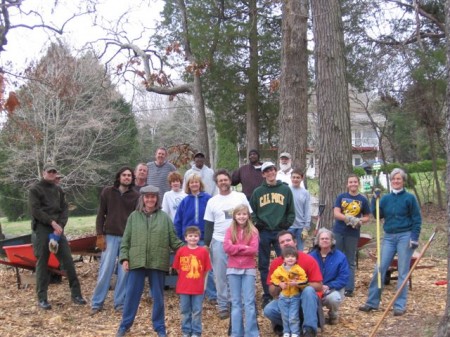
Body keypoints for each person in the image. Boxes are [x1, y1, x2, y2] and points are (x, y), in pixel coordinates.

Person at [116, 185, 184, 337]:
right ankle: (124, 325)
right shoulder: (134, 216)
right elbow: (126, 240)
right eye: (147, 197)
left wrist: (189, 250)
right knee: (132, 295)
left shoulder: (164, 217)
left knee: (158, 297)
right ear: (143, 198)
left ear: (157, 199)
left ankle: (159, 327)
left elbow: (174, 240)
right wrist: (125, 258)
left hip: (157, 261)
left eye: (153, 197)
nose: (150, 199)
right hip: (137, 261)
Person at [359, 168, 422, 317]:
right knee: (379, 268)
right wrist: (375, 199)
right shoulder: (386, 198)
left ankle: (399, 306)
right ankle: (372, 302)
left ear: (403, 181)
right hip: (389, 236)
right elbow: (377, 214)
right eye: (393, 179)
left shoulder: (409, 198)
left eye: (398, 179)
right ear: (391, 181)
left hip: (405, 236)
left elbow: (417, 219)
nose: (396, 181)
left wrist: (414, 237)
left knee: (403, 271)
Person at [29, 163, 86, 310]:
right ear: (44, 173)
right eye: (49, 172)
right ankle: (42, 298)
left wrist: (59, 225)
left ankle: (76, 294)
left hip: (58, 229)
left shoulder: (59, 190)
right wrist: (51, 222)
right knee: (43, 262)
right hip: (42, 227)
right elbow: (35, 210)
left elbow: (64, 210)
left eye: (54, 172)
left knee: (67, 260)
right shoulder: (35, 189)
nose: (52, 174)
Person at [91, 167, 140, 314]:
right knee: (105, 270)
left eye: (129, 176)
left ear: (132, 179)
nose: (126, 177)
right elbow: (101, 214)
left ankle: (119, 303)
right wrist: (100, 235)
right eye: (124, 175)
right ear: (119, 177)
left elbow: (136, 219)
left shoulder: (136, 196)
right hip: (110, 236)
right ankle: (97, 303)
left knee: (124, 272)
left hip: (127, 237)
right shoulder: (107, 192)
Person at [204, 169, 251, 320]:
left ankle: (238, 303)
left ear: (230, 180)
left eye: (225, 179)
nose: (223, 182)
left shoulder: (240, 196)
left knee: (239, 273)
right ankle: (223, 305)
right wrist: (206, 244)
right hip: (219, 241)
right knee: (220, 275)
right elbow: (208, 225)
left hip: (240, 240)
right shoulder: (212, 201)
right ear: (216, 183)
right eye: (220, 180)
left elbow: (250, 217)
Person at [250, 161, 295, 309]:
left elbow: (291, 211)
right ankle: (268, 294)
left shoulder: (285, 190)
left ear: (276, 171)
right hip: (264, 232)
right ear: (263, 174)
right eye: (267, 171)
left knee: (286, 261)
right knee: (263, 265)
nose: (270, 173)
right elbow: (252, 212)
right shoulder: (258, 192)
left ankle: (286, 290)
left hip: (279, 232)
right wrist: (257, 223)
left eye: (272, 170)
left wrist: (286, 225)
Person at [263, 230, 322, 337]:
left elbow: (319, 286)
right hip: (286, 298)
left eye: (288, 240)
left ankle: (309, 329)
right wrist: (278, 285)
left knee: (308, 290)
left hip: (305, 300)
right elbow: (271, 291)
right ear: (279, 245)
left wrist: (301, 284)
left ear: (295, 242)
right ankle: (295, 329)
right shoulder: (277, 263)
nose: (286, 243)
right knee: (268, 310)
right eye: (282, 242)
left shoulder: (308, 259)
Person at [174, 173, 216, 302]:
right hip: (189, 239)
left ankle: (212, 294)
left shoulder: (208, 199)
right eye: (191, 182)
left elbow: (214, 217)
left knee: (207, 267)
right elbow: (178, 220)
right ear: (188, 185)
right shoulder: (185, 201)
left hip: (204, 237)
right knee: (192, 266)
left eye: (196, 182)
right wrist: (181, 236)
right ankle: (194, 292)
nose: (194, 184)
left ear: (200, 184)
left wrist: (211, 235)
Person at [223, 204, 260, 337]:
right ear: (234, 216)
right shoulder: (229, 230)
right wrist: (243, 247)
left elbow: (253, 250)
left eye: (244, 214)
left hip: (248, 269)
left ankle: (252, 333)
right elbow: (227, 248)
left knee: (249, 302)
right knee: (236, 302)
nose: (241, 217)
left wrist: (236, 247)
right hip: (233, 269)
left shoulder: (254, 231)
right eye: (239, 214)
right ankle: (236, 333)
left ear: (248, 216)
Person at [333, 173, 370, 297]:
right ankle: (335, 284)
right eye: (351, 182)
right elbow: (336, 213)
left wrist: (359, 221)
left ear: (358, 183)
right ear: (347, 184)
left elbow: (367, 217)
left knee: (350, 260)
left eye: (355, 182)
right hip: (339, 231)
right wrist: (348, 218)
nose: (353, 184)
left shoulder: (363, 199)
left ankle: (349, 288)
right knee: (336, 257)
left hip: (353, 233)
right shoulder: (341, 197)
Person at [173, 226, 211, 337]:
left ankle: (196, 332)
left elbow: (206, 269)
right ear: (185, 238)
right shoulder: (181, 251)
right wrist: (186, 276)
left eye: (195, 236)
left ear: (199, 238)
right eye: (190, 236)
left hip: (198, 288)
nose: (193, 238)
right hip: (184, 287)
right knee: (185, 310)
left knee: (197, 311)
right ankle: (186, 331)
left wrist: (200, 280)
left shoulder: (203, 252)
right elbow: (177, 268)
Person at [309, 228, 349, 325]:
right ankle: (314, 317)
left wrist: (328, 286)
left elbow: (344, 277)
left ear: (332, 241)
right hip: (314, 288)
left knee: (334, 298)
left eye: (327, 238)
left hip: (333, 289)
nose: (324, 240)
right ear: (318, 241)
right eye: (322, 238)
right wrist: (315, 286)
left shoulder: (340, 257)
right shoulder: (310, 256)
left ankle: (333, 314)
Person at [271, 246, 309, 337]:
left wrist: (297, 283)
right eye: (287, 257)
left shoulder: (298, 269)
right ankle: (286, 331)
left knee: (293, 316)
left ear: (296, 258)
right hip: (283, 296)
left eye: (292, 256)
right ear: (283, 259)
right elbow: (273, 278)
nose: (290, 258)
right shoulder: (280, 269)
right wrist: (280, 284)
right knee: (284, 316)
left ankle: (295, 332)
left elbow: (305, 280)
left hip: (294, 296)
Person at [289, 169, 311, 251]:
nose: (295, 179)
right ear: (290, 178)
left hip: (300, 227)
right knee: (288, 250)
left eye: (298, 177)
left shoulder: (305, 193)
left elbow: (307, 210)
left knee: (299, 251)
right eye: (293, 177)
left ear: (302, 179)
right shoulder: (287, 190)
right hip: (289, 226)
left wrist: (306, 227)